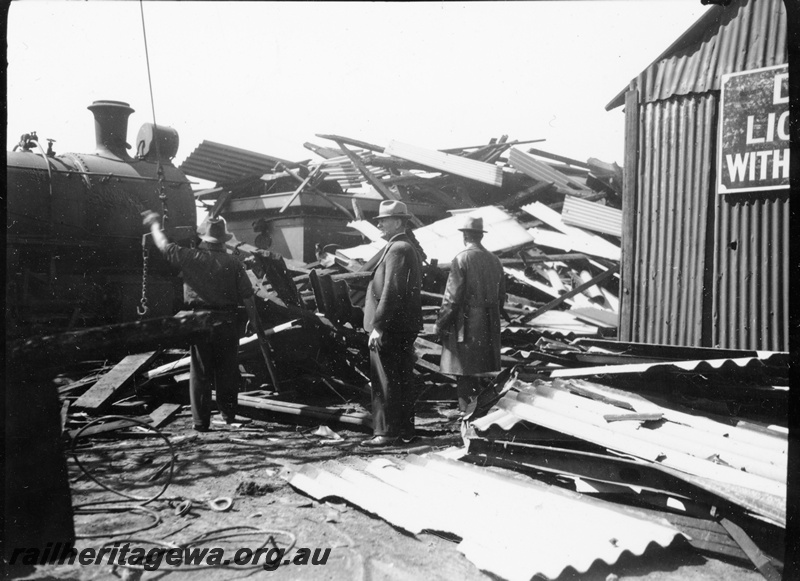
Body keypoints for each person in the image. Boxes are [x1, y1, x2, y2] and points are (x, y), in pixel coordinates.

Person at [142, 211, 262, 432]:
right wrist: (253, 322)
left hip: (199, 321)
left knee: (200, 372)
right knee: (227, 370)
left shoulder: (191, 257)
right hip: (226, 322)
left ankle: (200, 422)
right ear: (224, 240)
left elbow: (165, 248)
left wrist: (155, 227)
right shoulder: (234, 263)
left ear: (205, 240)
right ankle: (229, 415)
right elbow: (248, 296)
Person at [361, 200, 423, 447]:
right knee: (400, 378)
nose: (379, 226)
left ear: (398, 222)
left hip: (391, 327)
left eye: (383, 221)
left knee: (385, 379)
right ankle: (404, 430)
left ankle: (386, 433)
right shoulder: (402, 247)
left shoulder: (398, 248)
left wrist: (378, 326)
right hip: (400, 326)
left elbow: (392, 292)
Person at [434, 216, 505, 415]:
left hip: (465, 323)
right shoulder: (495, 260)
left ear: (465, 236)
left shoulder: (461, 258)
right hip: (488, 321)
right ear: (481, 236)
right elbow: (501, 295)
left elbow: (452, 297)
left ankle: (466, 412)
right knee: (479, 368)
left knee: (463, 370)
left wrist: (441, 323)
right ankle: (478, 410)